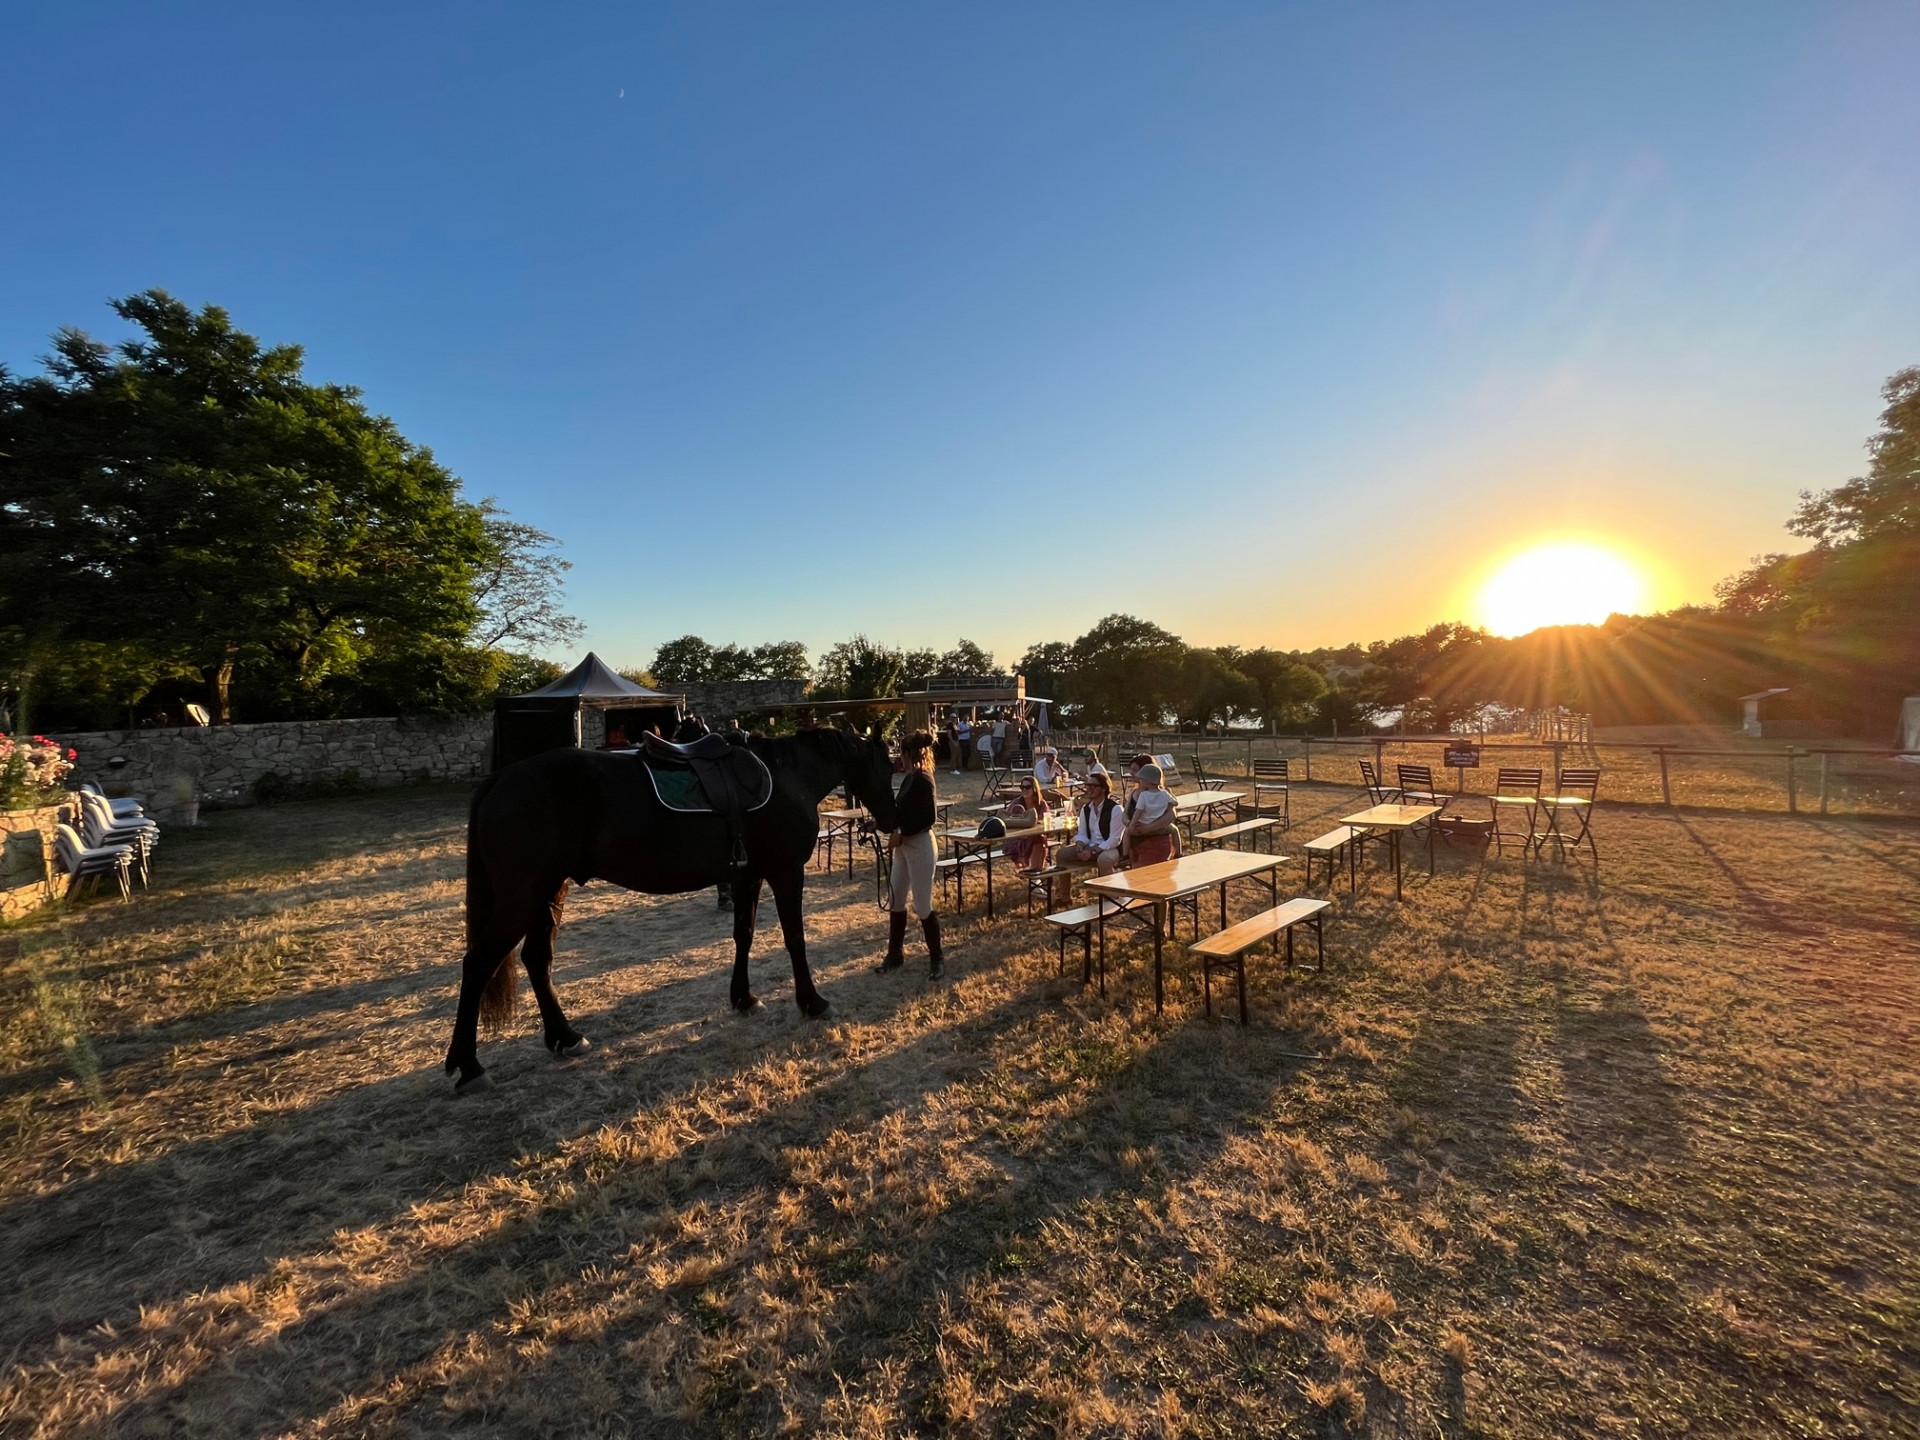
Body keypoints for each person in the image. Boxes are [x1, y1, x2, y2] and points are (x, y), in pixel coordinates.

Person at [877, 731, 946, 981]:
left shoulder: (923, 780)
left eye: (902, 754)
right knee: (896, 899)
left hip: (920, 846)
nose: (900, 758)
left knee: (922, 904)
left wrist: (902, 833)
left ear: (908, 754)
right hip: (905, 846)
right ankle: (894, 955)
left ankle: (937, 959)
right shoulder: (910, 779)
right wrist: (877, 824)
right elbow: (899, 812)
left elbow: (929, 818)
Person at [1058, 771, 1128, 875]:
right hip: (1090, 846)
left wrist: (1093, 851)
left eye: (1093, 786)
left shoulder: (1115, 809)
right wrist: (1080, 844)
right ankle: (1064, 891)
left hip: (1110, 848)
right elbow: (1082, 833)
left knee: (1104, 860)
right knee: (1061, 854)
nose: (1089, 789)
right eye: (1088, 785)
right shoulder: (1086, 809)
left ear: (1104, 788)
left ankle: (1106, 890)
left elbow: (1115, 840)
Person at [1123, 762, 1181, 866]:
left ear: (1147, 781)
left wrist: (1132, 825)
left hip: (1145, 830)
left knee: (1127, 833)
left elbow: (1138, 812)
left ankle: (1125, 855)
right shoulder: (1164, 794)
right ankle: (1178, 853)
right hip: (1160, 829)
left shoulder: (1144, 796)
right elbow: (1175, 803)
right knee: (1174, 830)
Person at [1001, 777, 1053, 870]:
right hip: (1017, 837)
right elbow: (1009, 821)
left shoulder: (1041, 804)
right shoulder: (1016, 804)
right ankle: (1036, 873)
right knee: (1039, 841)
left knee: (1039, 840)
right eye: (1022, 787)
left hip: (1034, 835)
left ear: (1034, 788)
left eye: (1028, 787)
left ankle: (1035, 873)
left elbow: (1045, 820)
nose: (1024, 790)